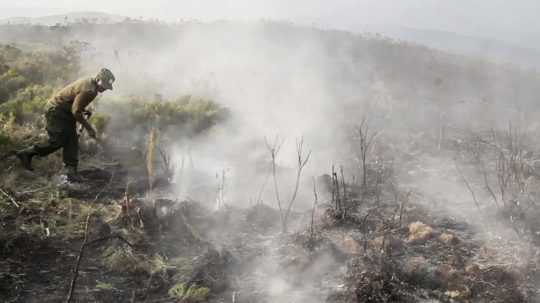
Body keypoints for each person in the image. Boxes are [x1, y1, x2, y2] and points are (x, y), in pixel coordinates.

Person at [16, 68, 115, 182]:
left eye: (107, 87)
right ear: (98, 79)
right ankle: (26, 153)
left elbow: (75, 103)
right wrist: (89, 128)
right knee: (58, 140)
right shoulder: (90, 90)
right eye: (104, 85)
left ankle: (71, 172)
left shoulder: (90, 83)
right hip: (56, 111)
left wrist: (82, 110)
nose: (105, 89)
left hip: (64, 112)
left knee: (72, 141)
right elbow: (75, 111)